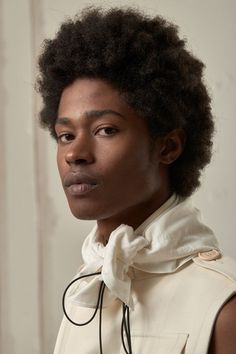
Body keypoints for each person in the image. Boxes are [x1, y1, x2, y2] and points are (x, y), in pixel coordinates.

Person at [37, 6, 236, 354]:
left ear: (168, 146)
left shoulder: (222, 306)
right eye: (65, 135)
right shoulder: (83, 293)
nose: (74, 153)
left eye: (106, 130)